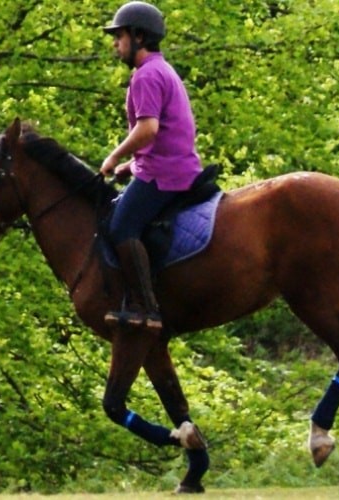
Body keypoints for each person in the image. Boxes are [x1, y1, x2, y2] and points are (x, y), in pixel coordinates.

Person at [96, 1, 201, 331]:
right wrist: (132, 165)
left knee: (120, 226)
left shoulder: (146, 76)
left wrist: (114, 157)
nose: (116, 43)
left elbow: (148, 129)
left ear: (138, 36)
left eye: (120, 35)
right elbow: (163, 134)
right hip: (168, 165)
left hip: (166, 174)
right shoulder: (161, 69)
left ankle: (144, 306)